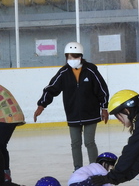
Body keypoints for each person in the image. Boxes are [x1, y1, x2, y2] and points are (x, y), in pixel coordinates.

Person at [33, 42, 109, 170]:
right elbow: (51, 89)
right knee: (75, 143)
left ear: (80, 56)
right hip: (72, 113)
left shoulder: (90, 70)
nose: (71, 60)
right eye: (68, 57)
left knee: (89, 142)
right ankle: (78, 169)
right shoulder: (64, 72)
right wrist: (41, 105)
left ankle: (95, 168)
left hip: (90, 113)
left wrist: (104, 108)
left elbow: (102, 89)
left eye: (74, 57)